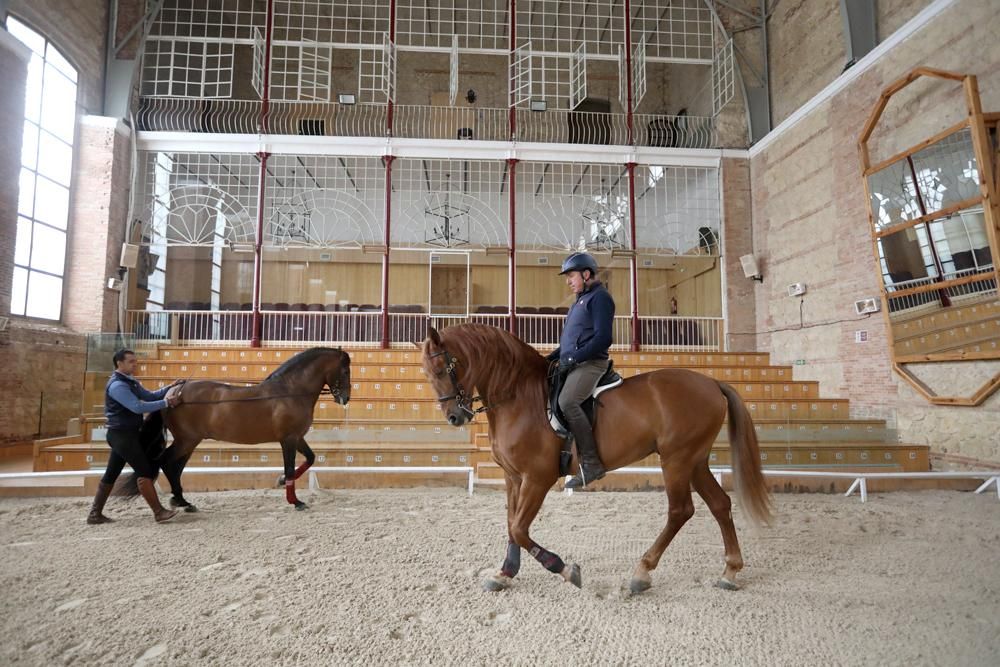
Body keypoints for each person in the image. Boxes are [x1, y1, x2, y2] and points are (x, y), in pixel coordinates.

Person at [87, 348, 183, 525]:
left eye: (135, 361)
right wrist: (167, 402)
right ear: (119, 363)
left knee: (111, 474)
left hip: (125, 435)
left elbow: (149, 396)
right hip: (122, 436)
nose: (135, 364)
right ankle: (158, 512)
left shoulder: (129, 381)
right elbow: (137, 407)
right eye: (131, 361)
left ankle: (95, 514)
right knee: (145, 471)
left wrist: (170, 387)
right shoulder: (118, 385)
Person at [546, 252, 615, 489]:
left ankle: (591, 463)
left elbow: (603, 338)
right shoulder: (580, 300)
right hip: (575, 361)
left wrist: (573, 357)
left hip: (591, 363)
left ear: (586, 274)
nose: (568, 281)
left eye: (571, 275)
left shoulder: (600, 298)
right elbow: (572, 339)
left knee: (567, 401)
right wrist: (553, 356)